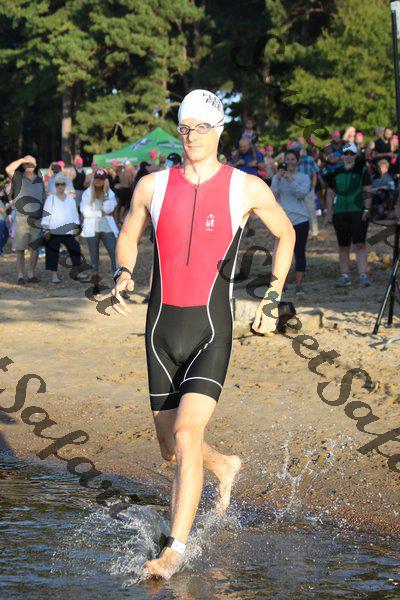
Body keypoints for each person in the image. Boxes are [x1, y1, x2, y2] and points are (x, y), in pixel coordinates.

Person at [111, 88, 295, 580]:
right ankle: (224, 466)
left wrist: (273, 297)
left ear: (219, 132)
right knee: (170, 446)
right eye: (185, 127)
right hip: (159, 331)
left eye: (201, 128)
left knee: (188, 433)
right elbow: (128, 235)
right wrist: (123, 272)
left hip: (211, 330)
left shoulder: (245, 187)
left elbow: (287, 234)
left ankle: (174, 550)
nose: (191, 136)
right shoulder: (152, 186)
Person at [325, 142, 372, 287]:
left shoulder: (362, 170)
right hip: (340, 212)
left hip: (358, 211)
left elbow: (367, 190)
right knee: (343, 246)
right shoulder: (335, 171)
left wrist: (367, 209)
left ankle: (363, 275)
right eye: (346, 153)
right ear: (342, 155)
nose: (349, 156)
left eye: (351, 153)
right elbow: (330, 193)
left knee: (360, 244)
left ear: (356, 155)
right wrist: (329, 212)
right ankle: (344, 275)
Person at [271, 149, 311, 295]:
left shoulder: (303, 177)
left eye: (292, 159)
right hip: (283, 221)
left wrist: (290, 179)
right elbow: (272, 195)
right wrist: (277, 179)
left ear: (297, 161)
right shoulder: (277, 178)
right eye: (287, 159)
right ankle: (282, 284)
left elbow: (301, 194)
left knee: (299, 252)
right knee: (282, 253)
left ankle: (299, 285)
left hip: (300, 220)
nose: (289, 162)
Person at [6, 155, 46, 284]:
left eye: (32, 163)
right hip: (21, 219)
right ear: (23, 165)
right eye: (27, 164)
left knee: (35, 248)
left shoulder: (40, 179)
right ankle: (20, 275)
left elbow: (43, 197)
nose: (29, 165)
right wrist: (23, 160)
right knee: (20, 248)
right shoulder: (18, 177)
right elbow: (8, 169)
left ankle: (31, 274)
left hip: (37, 219)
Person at [80, 167, 119, 293]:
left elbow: (109, 208)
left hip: (107, 227)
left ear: (105, 180)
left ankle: (118, 285)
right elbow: (85, 211)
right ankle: (95, 286)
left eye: (101, 179)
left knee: (115, 254)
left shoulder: (109, 193)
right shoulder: (87, 193)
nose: (98, 181)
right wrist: (99, 213)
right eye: (97, 178)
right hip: (92, 228)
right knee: (94, 257)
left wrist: (105, 194)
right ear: (94, 178)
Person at [41, 174, 82, 283]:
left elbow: (75, 215)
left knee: (76, 249)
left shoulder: (70, 199)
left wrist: (76, 229)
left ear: (65, 185)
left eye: (62, 184)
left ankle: (76, 272)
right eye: (58, 184)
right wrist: (46, 229)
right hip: (53, 231)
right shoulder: (50, 199)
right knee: (52, 253)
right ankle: (54, 275)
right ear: (55, 186)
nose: (60, 186)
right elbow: (46, 214)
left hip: (68, 231)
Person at [297, 146, 320, 238]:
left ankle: (314, 231)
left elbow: (315, 173)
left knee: (311, 210)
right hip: (297, 189)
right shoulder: (294, 160)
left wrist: (313, 186)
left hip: (307, 188)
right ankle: (306, 231)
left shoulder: (309, 159)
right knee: (302, 211)